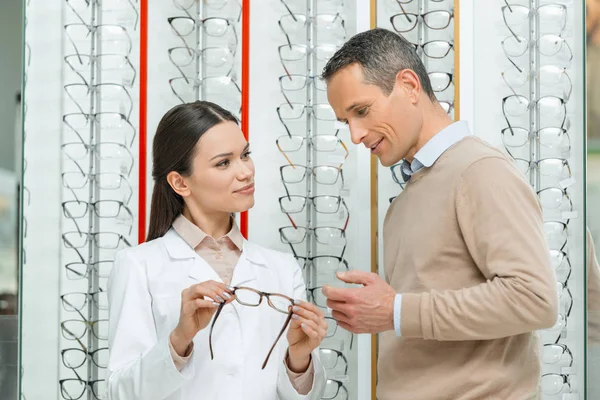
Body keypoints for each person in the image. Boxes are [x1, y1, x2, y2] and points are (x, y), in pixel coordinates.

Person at [320, 28, 558, 399]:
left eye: (362, 111)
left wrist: (396, 310)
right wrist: (388, 312)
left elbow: (534, 299)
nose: (355, 135)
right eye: (344, 121)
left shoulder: (479, 171)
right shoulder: (411, 194)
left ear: (409, 86)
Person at [106, 101, 327, 400]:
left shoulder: (282, 269)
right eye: (224, 163)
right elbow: (121, 392)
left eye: (245, 155)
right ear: (180, 182)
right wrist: (178, 340)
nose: (245, 172)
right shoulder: (138, 266)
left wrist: (299, 360)